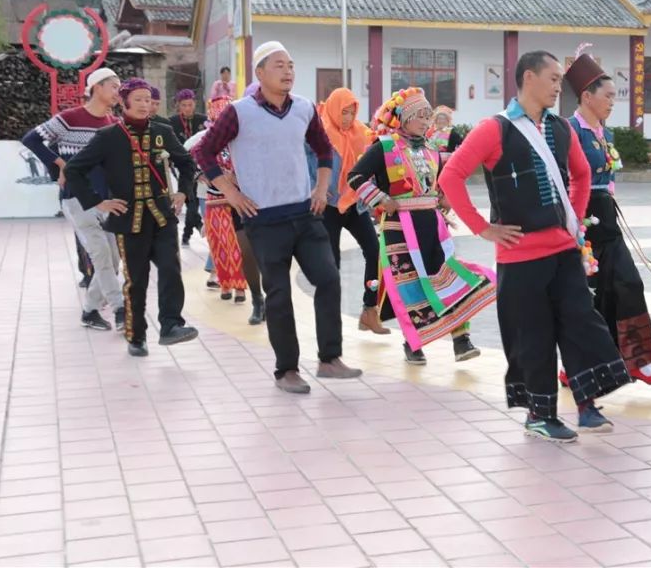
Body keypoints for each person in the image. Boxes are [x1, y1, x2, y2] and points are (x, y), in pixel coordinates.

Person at [439, 50, 630, 442]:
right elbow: (451, 177)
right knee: (533, 334)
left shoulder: (560, 128)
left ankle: (587, 405)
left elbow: (581, 174)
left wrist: (574, 220)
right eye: (554, 78)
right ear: (529, 77)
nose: (560, 87)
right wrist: (483, 228)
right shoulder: (495, 129)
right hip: (520, 256)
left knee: (581, 323)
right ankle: (540, 415)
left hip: (563, 249)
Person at [194, 41, 361, 392]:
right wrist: (231, 193)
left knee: (328, 279)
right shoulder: (238, 112)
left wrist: (321, 190)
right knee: (279, 294)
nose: (288, 71)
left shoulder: (303, 108)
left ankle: (330, 359)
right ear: (260, 73)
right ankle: (286, 370)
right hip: (264, 218)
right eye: (279, 65)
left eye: (291, 65)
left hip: (305, 212)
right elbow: (204, 151)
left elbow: (324, 149)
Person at [349, 87, 494, 365]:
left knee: (449, 276)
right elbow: (355, 177)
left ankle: (461, 340)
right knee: (410, 286)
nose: (427, 121)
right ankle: (413, 344)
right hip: (399, 227)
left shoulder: (431, 150)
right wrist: (381, 199)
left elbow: (444, 179)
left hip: (432, 225)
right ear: (404, 117)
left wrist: (444, 196)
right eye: (421, 115)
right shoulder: (384, 147)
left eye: (429, 116)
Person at [64, 78, 200, 357]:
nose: (144, 105)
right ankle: (136, 335)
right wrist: (98, 202)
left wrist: (183, 192)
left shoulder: (163, 131)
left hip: (162, 217)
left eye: (148, 100)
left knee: (171, 270)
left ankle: (171, 325)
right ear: (124, 102)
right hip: (129, 220)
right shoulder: (108, 136)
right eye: (137, 99)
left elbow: (187, 163)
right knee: (136, 280)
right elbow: (73, 170)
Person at [563, 48, 651, 386]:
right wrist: (570, 224)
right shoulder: (568, 132)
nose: (612, 102)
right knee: (587, 293)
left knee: (627, 284)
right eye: (607, 96)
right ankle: (574, 367)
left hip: (606, 216)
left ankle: (635, 360)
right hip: (581, 219)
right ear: (586, 96)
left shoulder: (605, 134)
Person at [22, 68, 125, 330]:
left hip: (105, 200)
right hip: (76, 197)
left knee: (113, 261)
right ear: (97, 87)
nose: (118, 92)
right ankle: (121, 309)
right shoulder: (69, 118)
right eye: (114, 86)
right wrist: (59, 164)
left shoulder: (114, 123)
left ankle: (90, 311)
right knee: (101, 255)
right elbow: (31, 139)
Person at [316, 88, 387, 336]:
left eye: (351, 112)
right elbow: (303, 163)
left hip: (355, 205)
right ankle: (329, 319)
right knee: (331, 262)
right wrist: (314, 187)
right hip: (329, 206)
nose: (347, 118)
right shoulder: (320, 132)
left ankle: (369, 310)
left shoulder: (362, 133)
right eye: (343, 112)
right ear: (334, 109)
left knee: (376, 253)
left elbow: (371, 166)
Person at [185, 97, 250, 304]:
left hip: (238, 199)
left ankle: (240, 287)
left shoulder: (242, 138)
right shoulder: (204, 139)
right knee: (219, 244)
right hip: (213, 198)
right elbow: (186, 158)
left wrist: (236, 177)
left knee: (238, 244)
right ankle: (225, 284)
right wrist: (200, 174)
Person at [170, 89, 207, 245]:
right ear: (179, 105)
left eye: (190, 105)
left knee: (194, 200)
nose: (187, 108)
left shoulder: (203, 120)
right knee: (191, 200)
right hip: (182, 166)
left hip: (201, 167)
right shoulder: (172, 122)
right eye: (184, 105)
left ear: (195, 104)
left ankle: (187, 232)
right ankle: (196, 227)